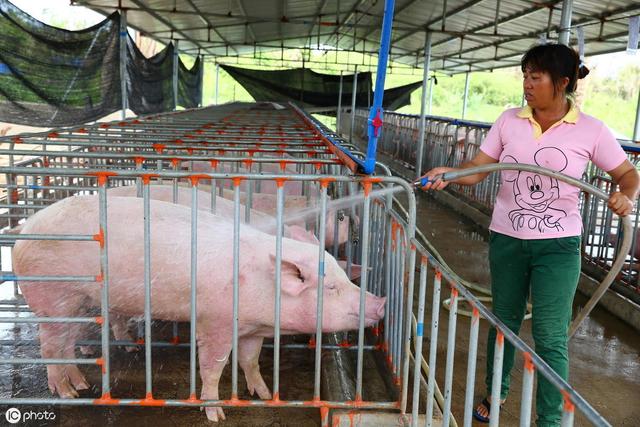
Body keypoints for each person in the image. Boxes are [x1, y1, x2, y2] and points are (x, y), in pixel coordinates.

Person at [418, 43, 639, 426]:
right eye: (525, 75)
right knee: (503, 321)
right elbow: (477, 168)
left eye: (536, 77)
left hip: (558, 246)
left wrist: (624, 196)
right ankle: (495, 393)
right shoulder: (509, 120)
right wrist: (449, 175)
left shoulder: (590, 130)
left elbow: (627, 174)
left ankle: (550, 419)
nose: (527, 84)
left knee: (550, 336)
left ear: (562, 82)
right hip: (508, 239)